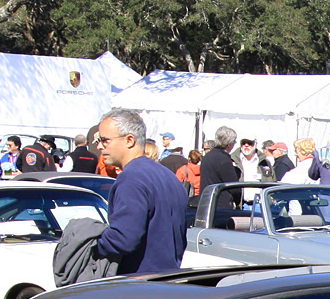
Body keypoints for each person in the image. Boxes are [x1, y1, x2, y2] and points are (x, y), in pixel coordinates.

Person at [92, 110, 185, 275]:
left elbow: (123, 239)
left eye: (104, 140)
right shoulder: (167, 176)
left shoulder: (131, 180)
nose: (99, 146)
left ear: (129, 140)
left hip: (137, 286)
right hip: (168, 282)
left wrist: (89, 243)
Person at [200, 127, 240, 193]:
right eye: (234, 142)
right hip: (220, 199)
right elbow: (234, 188)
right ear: (229, 144)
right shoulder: (224, 159)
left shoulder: (206, 157)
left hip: (206, 198)